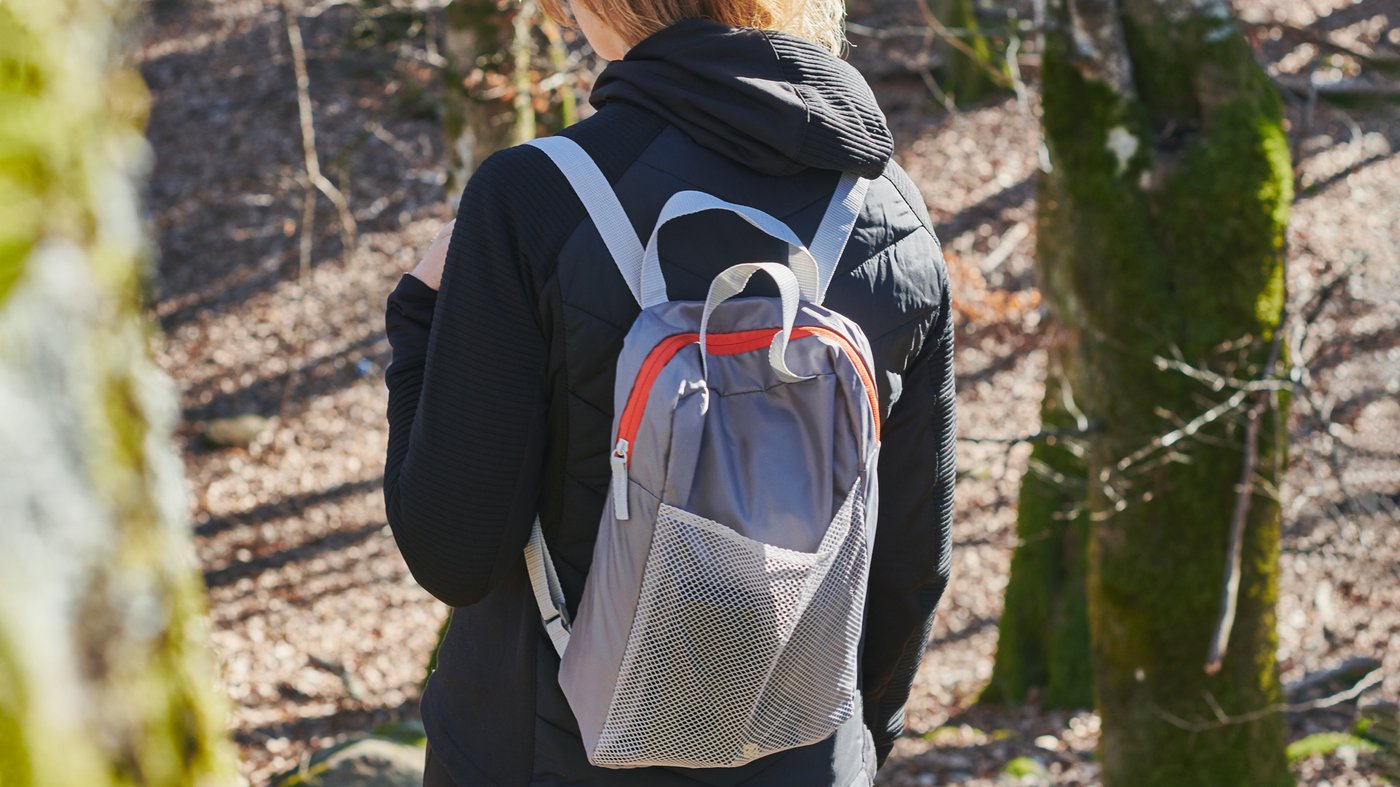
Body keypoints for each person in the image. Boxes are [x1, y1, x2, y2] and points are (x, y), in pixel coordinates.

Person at [382, 0, 955, 783]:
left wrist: (418, 317)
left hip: (536, 753)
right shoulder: (892, 212)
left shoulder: (535, 198)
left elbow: (453, 549)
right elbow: (910, 558)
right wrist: (858, 745)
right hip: (801, 755)